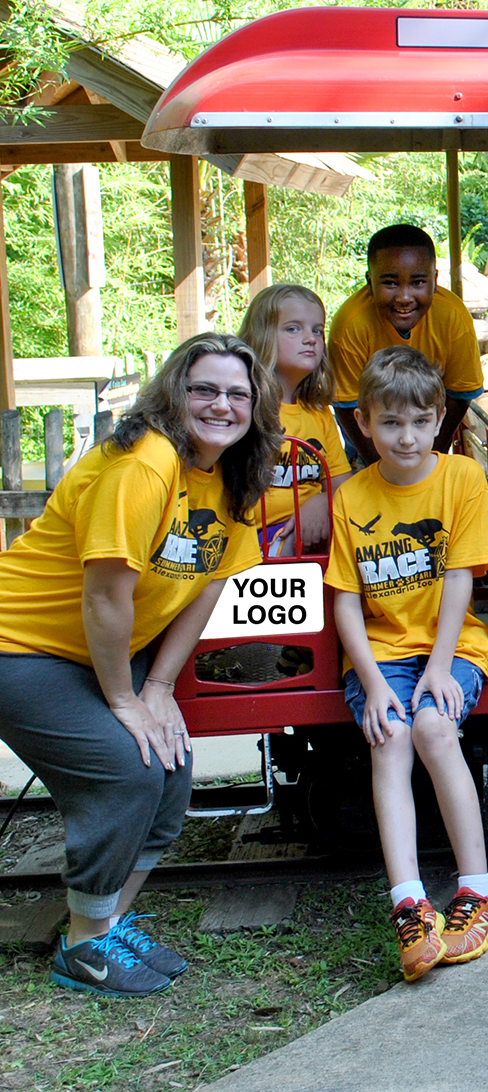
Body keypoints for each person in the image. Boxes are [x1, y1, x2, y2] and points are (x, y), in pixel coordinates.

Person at [0, 334, 276, 997]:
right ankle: (83, 947)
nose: (221, 405)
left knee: (171, 768)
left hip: (97, 655)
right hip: (20, 645)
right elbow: (104, 595)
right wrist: (125, 700)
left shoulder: (232, 476)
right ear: (174, 393)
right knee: (126, 771)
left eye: (237, 394)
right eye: (204, 389)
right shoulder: (145, 464)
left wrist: (158, 687)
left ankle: (105, 923)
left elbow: (207, 587)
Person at [327, 347, 488, 982]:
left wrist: (439, 666)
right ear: (364, 423)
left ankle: (478, 892)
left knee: (432, 727)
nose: (406, 437)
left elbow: (460, 578)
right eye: (391, 423)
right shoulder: (352, 495)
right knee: (391, 737)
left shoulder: (461, 478)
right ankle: (409, 904)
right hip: (379, 655)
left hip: (451, 647)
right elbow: (345, 601)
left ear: (439, 421)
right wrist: (373, 683)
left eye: (420, 422)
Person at [329, 224, 482, 466]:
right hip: (370, 437)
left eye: (418, 282)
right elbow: (347, 405)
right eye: (390, 284)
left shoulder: (453, 317)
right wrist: (381, 467)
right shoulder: (351, 324)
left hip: (428, 433)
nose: (404, 297)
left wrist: (431, 457)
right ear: (370, 282)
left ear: (434, 280)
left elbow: (460, 395)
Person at [239, 283, 351, 555]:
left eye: (317, 330)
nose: (310, 338)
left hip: (312, 531)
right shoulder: (245, 406)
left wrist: (322, 501)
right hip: (251, 539)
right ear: (262, 335)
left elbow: (343, 489)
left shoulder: (318, 413)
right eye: (293, 329)